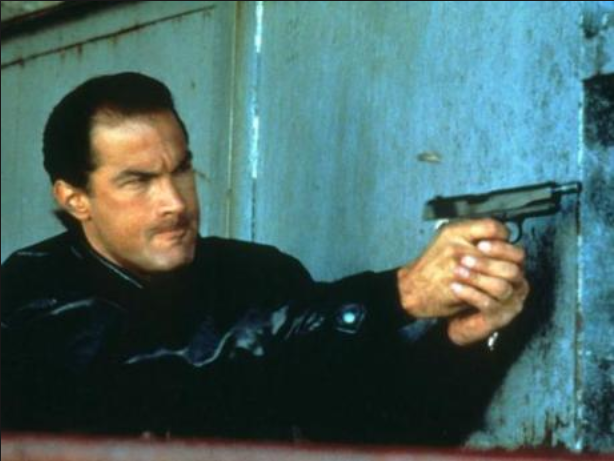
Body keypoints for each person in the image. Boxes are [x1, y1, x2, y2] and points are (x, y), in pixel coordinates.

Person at [1, 72, 529, 441]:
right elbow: (171, 368)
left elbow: (378, 429)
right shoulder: (31, 294)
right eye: (137, 181)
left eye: (181, 170)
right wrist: (400, 294)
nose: (175, 203)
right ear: (75, 198)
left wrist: (461, 339)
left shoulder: (258, 276)